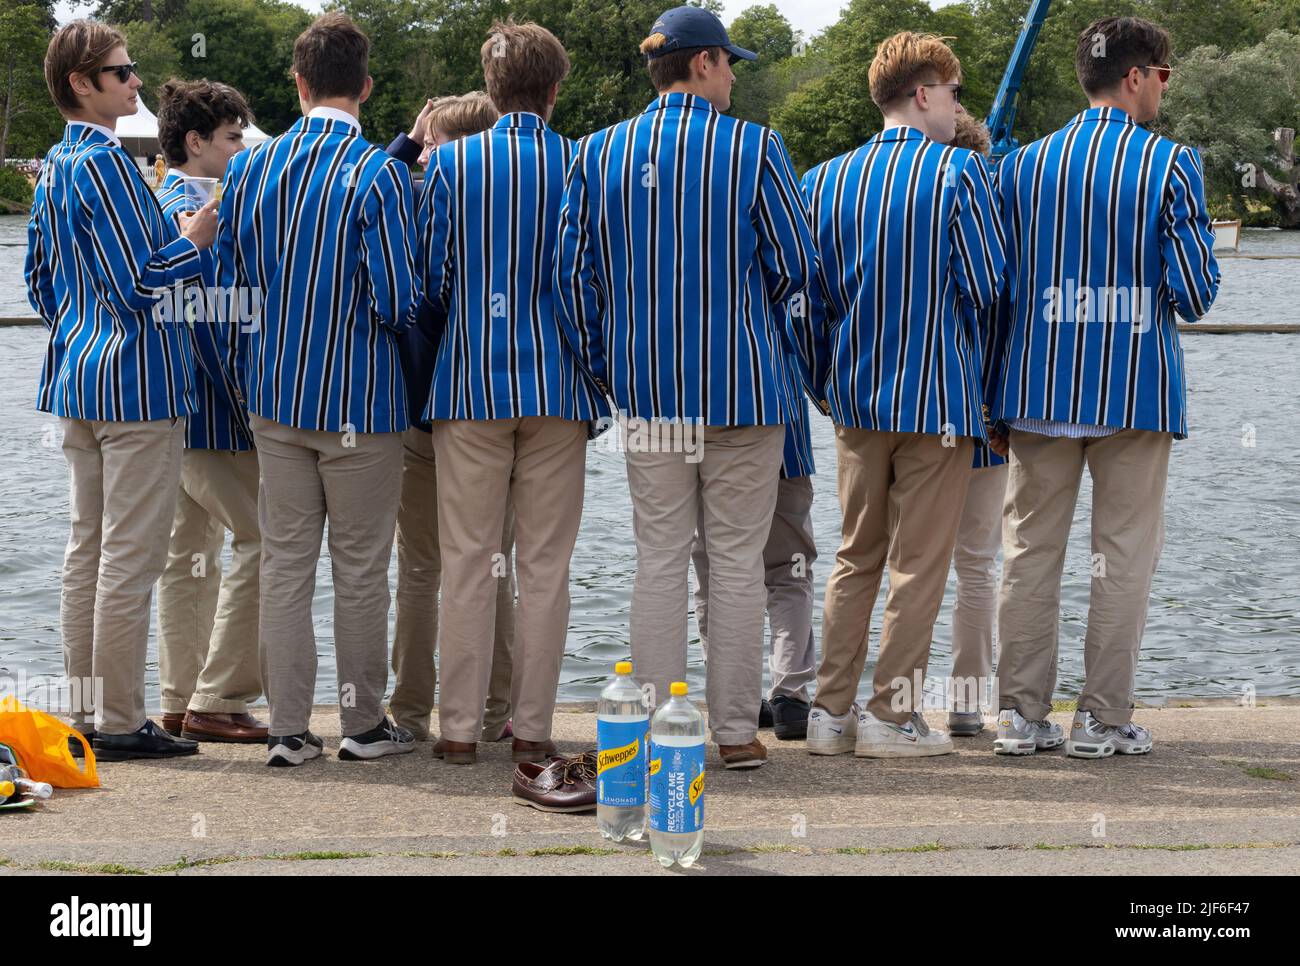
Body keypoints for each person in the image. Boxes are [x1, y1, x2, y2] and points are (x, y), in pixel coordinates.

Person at [554, 5, 819, 770]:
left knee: (659, 561)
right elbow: (795, 263)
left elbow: (574, 280)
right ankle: (735, 733)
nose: (735, 74)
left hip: (649, 394)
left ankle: (654, 732)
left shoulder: (598, 151)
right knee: (737, 566)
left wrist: (611, 370)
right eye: (729, 62)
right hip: (744, 393)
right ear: (701, 64)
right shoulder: (756, 147)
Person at [987, 16, 1219, 759]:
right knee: (1121, 558)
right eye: (1164, 75)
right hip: (1132, 390)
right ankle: (1102, 720)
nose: (1164, 88)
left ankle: (1020, 718)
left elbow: (996, 289)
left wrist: (994, 395)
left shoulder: (1017, 167)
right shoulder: (1169, 163)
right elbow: (1193, 290)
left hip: (1035, 384)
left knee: (1028, 555)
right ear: (1134, 78)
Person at [217, 13, 421, 766]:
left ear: (298, 84)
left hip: (275, 394)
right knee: (362, 569)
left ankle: (286, 729)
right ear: (365, 86)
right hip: (361, 402)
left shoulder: (248, 170)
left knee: (285, 565)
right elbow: (400, 297)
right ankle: (363, 725)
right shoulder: (377, 173)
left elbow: (232, 282)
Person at [801, 32, 1005, 759]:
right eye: (953, 95)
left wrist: (828, 385)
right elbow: (987, 285)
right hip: (939, 402)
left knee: (855, 556)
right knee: (919, 564)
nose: (958, 110)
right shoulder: (959, 176)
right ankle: (892, 715)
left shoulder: (823, 181)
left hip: (855, 400)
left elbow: (808, 301)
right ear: (924, 94)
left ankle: (829, 714)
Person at [26, 21, 217, 761]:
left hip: (78, 377)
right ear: (83, 82)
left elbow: (41, 280)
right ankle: (118, 721)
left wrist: (83, 325)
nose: (137, 82)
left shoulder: (58, 163)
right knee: (130, 558)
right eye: (122, 71)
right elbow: (143, 281)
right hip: (138, 386)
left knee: (88, 550)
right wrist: (195, 240)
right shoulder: (106, 164)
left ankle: (85, 710)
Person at [420, 20, 602, 766]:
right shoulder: (583, 162)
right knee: (545, 569)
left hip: (467, 383)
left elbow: (429, 280)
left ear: (491, 89)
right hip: (559, 387)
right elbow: (595, 280)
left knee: (466, 562)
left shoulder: (451, 165)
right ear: (555, 90)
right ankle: (531, 727)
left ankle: (458, 730)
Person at [385, 91, 520, 745]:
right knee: (494, 563)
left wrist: (408, 143)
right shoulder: (515, 197)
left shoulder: (415, 199)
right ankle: (497, 710)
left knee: (420, 568)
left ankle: (410, 712)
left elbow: (362, 188)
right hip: (497, 402)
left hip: (421, 407)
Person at [153, 78, 266, 744]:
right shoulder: (197, 209)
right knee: (264, 541)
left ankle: (177, 699)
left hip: (176, 409)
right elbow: (202, 320)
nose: (241, 145)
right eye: (231, 136)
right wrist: (247, 409)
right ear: (196, 142)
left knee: (187, 556)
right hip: (211, 411)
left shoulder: (170, 199)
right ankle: (217, 697)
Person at [690, 343, 818, 741]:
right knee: (789, 571)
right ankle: (791, 695)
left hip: (698, 429)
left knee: (713, 572)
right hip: (779, 429)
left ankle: (728, 694)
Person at [943, 112, 1006, 738]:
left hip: (912, 417)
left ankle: (877, 703)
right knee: (979, 566)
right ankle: (965, 704)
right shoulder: (994, 226)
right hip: (984, 420)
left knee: (900, 563)